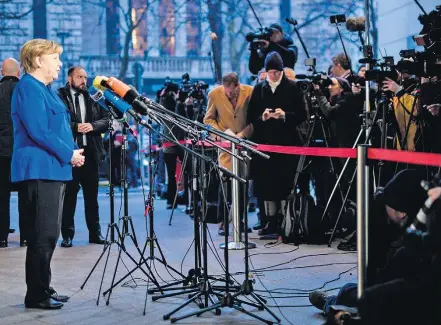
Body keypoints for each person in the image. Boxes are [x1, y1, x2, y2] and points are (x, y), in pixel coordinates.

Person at [11, 39, 85, 309]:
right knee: (43, 235)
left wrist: (72, 152)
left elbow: (59, 129)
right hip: (41, 169)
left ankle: (44, 286)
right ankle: (36, 295)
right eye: (55, 58)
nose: (60, 64)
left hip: (54, 168)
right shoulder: (28, 88)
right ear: (39, 60)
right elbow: (39, 131)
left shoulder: (46, 90)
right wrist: (69, 154)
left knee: (49, 234)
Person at [308, 169, 428, 319]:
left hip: (411, 289)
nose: (402, 214)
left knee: (355, 296)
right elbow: (373, 268)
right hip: (389, 284)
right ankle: (334, 303)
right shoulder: (375, 214)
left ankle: (333, 304)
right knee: (353, 293)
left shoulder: (420, 225)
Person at [247, 52, 307, 236]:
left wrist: (284, 115)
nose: (273, 75)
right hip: (264, 143)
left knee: (285, 183)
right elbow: (250, 117)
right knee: (266, 185)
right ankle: (269, 220)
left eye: (277, 72)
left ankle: (285, 219)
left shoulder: (293, 87)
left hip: (286, 142)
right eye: (271, 72)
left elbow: (302, 114)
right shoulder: (259, 89)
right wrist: (262, 118)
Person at [58, 66, 109, 247]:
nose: (83, 80)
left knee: (91, 197)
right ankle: (67, 236)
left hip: (91, 153)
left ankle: (95, 234)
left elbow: (107, 119)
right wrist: (75, 127)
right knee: (69, 196)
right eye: (79, 77)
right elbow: (57, 120)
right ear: (70, 78)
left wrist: (92, 126)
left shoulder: (94, 96)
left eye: (85, 77)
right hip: (71, 153)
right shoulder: (59, 96)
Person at [204, 72, 254, 234]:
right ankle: (223, 221)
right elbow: (208, 120)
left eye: (233, 92)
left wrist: (243, 134)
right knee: (225, 184)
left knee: (243, 184)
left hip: (244, 144)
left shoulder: (250, 92)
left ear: (238, 85)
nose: (231, 95)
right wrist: (221, 133)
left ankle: (240, 220)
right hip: (225, 145)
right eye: (228, 92)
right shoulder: (214, 94)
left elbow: (255, 118)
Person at [0, 58, 27, 248]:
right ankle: (25, 237)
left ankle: (2, 237)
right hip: (22, 150)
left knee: (2, 195)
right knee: (25, 195)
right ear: (19, 73)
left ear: (2, 72)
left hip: (1, 152)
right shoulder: (25, 91)